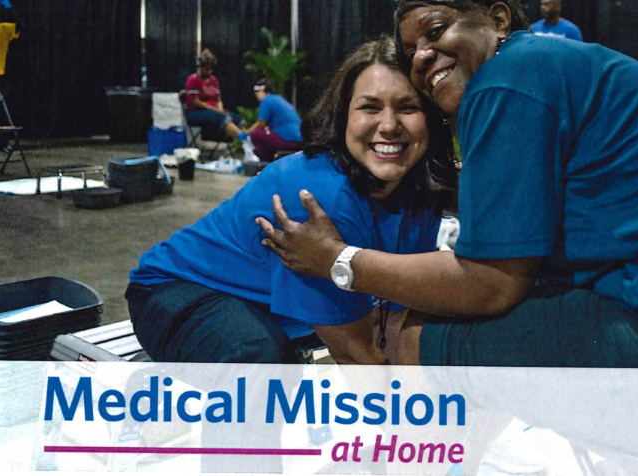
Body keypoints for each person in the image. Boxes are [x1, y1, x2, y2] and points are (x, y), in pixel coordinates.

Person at [258, 0, 638, 370]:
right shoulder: (554, 68)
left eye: (435, 28)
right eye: (411, 47)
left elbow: (491, 284)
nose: (423, 55)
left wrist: (341, 261)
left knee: (413, 332)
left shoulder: (506, 80)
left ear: (497, 19)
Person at [126, 38, 457, 364]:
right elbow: (355, 353)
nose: (388, 126)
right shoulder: (317, 196)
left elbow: (395, 318)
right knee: (263, 361)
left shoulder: (421, 194)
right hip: (176, 291)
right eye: (370, 107)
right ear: (343, 116)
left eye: (408, 107)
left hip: (263, 308)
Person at [183, 48, 245, 140]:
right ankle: (244, 139)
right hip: (195, 112)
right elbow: (195, 102)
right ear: (200, 67)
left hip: (214, 111)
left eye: (211, 69)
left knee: (238, 119)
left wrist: (220, 108)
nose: (209, 72)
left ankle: (246, 144)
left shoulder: (214, 80)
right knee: (223, 118)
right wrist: (213, 109)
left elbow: (218, 99)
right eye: (207, 69)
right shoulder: (193, 79)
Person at [239, 78, 304, 162]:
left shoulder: (267, 100)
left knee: (256, 134)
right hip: (300, 140)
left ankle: (266, 161)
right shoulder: (279, 98)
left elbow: (261, 123)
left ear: (262, 90)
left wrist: (247, 132)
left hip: (288, 140)